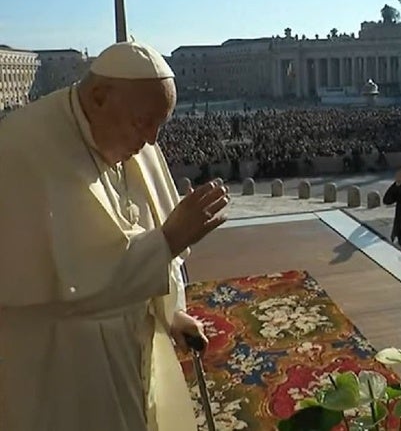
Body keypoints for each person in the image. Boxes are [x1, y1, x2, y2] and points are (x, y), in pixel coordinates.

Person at [0, 41, 230, 431]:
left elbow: (127, 240)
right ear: (99, 96)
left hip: (128, 346)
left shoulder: (134, 139)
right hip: (63, 367)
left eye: (161, 124)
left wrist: (169, 312)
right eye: (145, 123)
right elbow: (71, 286)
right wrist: (168, 240)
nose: (153, 141)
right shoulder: (20, 149)